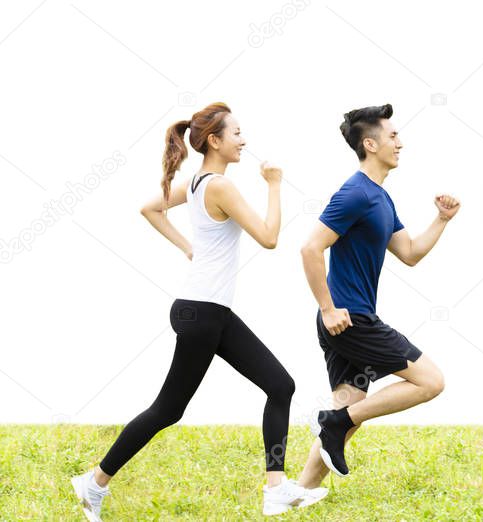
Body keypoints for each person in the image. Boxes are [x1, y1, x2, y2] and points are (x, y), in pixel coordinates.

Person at [70, 102, 326, 520]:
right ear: (214, 140)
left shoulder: (196, 183)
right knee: (167, 409)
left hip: (208, 311)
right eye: (237, 133)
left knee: (279, 385)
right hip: (201, 313)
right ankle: (94, 481)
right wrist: (275, 186)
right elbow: (268, 237)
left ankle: (276, 486)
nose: (244, 140)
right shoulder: (220, 187)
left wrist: (190, 247)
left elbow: (150, 208)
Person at [294, 104, 459, 486]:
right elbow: (310, 249)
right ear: (370, 143)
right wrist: (329, 308)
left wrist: (441, 220)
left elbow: (410, 253)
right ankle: (334, 424)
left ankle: (297, 495)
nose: (400, 142)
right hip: (349, 318)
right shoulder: (354, 193)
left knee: (347, 413)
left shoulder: (380, 198)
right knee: (430, 381)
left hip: (347, 319)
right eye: (393, 136)